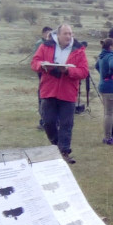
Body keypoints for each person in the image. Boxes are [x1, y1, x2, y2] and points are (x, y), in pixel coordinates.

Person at [31, 24, 89, 164]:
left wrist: (68, 70)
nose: (69, 36)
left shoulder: (79, 50)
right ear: (58, 35)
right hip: (48, 90)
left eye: (70, 33)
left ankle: (64, 152)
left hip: (68, 92)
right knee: (48, 122)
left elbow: (84, 71)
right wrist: (42, 66)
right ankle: (56, 146)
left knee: (66, 124)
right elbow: (34, 63)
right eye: (66, 33)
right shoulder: (46, 46)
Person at [96, 38, 113, 146]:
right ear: (110, 46)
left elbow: (97, 66)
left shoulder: (102, 55)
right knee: (110, 114)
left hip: (102, 85)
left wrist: (103, 74)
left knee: (106, 112)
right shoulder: (111, 55)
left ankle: (107, 136)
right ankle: (108, 137)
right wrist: (111, 74)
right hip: (110, 87)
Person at [35, 26, 52, 130]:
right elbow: (37, 60)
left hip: (50, 73)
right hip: (43, 73)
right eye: (48, 34)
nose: (50, 36)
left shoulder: (52, 44)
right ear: (44, 33)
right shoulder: (40, 44)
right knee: (43, 98)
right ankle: (43, 121)